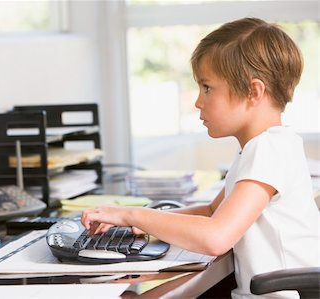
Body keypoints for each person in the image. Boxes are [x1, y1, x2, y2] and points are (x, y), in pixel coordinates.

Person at [81, 17, 320, 298]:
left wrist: (133, 213)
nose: (198, 101)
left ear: (253, 92)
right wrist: (141, 223)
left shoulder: (268, 151)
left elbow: (216, 237)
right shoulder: (266, 147)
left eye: (207, 87)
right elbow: (211, 213)